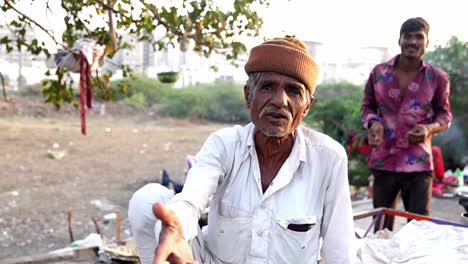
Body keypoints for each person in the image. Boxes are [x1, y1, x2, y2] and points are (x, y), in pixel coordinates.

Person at [129, 36, 356, 264]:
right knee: (147, 199)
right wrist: (176, 227)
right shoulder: (224, 144)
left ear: (307, 105)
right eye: (268, 87)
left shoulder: (329, 158)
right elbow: (190, 201)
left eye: (294, 91)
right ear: (249, 95)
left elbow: (340, 250)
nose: (280, 100)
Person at [360, 17, 452, 231]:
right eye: (407, 36)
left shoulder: (437, 78)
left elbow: (445, 116)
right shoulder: (379, 73)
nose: (412, 41)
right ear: (399, 40)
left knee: (419, 232)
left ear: (427, 42)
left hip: (418, 165)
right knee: (381, 228)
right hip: (384, 161)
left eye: (418, 36)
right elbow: (367, 107)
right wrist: (373, 123)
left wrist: (429, 128)